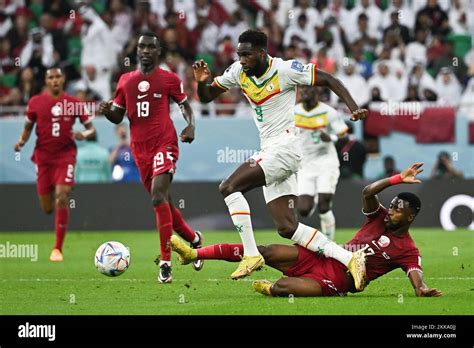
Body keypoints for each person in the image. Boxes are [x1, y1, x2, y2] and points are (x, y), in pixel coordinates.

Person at [193, 29, 368, 290]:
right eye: (239, 55)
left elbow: (329, 79)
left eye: (247, 55)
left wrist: (353, 108)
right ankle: (350, 258)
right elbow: (207, 96)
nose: (242, 60)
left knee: (229, 187)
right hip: (272, 151)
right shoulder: (238, 72)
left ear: (263, 53)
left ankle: (251, 253)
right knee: (287, 228)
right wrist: (201, 81)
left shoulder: (285, 70)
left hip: (284, 148)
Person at [171, 163, 442, 299]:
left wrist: (422, 289)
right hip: (323, 257)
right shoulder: (379, 218)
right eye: (392, 204)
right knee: (263, 251)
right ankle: (194, 254)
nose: (391, 210)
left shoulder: (408, 250)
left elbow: (416, 277)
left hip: (337, 282)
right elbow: (367, 192)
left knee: (282, 287)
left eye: (398, 208)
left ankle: (273, 289)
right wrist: (395, 179)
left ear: (412, 215)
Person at [98, 32, 203, 283]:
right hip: (139, 149)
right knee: (164, 201)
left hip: (164, 144)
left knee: (157, 197)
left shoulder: (169, 79)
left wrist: (191, 126)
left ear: (158, 53)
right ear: (137, 52)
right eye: (142, 47)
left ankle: (165, 262)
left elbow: (185, 106)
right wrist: (107, 112)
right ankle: (195, 240)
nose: (145, 50)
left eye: (150, 47)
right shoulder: (125, 80)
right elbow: (118, 115)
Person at [13, 67, 96, 262]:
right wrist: (21, 142)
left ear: (64, 79)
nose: (55, 80)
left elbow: (91, 129)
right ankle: (55, 229)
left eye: (58, 77)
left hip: (65, 156)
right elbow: (27, 127)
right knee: (47, 208)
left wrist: (82, 134)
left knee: (62, 196)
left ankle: (57, 249)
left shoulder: (74, 103)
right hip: (43, 158)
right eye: (51, 77)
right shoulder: (35, 102)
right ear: (46, 80)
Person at [295, 86, 348, 241]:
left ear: (316, 92)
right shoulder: (294, 112)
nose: (304, 92)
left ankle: (329, 243)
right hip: (305, 164)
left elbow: (345, 136)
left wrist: (331, 138)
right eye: (301, 89)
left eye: (307, 89)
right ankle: (314, 197)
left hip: (326, 162)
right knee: (303, 210)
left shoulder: (329, 112)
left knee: (324, 205)